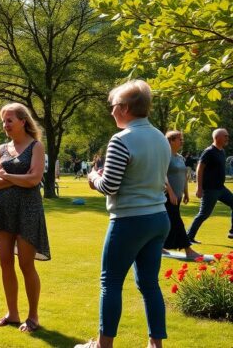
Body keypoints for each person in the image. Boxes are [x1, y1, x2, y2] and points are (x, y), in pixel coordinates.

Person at [77, 80, 171, 348]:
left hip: (129, 220)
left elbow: (109, 186)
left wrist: (94, 177)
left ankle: (103, 345)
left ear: (126, 108)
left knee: (111, 282)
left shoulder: (121, 139)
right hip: (158, 218)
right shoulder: (161, 138)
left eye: (114, 106)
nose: (111, 111)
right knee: (150, 285)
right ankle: (156, 345)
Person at [0, 103, 49, 334]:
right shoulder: (1, 149)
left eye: (9, 120)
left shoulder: (36, 146)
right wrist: (18, 178)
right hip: (3, 210)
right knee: (5, 263)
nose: (5, 125)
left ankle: (33, 316)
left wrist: (8, 176)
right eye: (4, 121)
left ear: (23, 121)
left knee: (26, 264)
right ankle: (12, 314)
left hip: (28, 210)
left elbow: (34, 179)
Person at [186, 128, 233, 242]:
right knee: (204, 214)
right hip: (210, 189)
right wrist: (199, 187)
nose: (227, 138)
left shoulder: (221, 151)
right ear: (217, 138)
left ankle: (232, 232)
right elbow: (199, 169)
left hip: (220, 188)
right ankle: (188, 237)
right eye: (225, 136)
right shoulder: (209, 151)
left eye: (227, 136)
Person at [162, 131, 201, 259]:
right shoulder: (165, 156)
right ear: (171, 141)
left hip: (177, 196)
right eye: (180, 139)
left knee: (170, 222)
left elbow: (184, 176)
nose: (182, 141)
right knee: (177, 222)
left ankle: (159, 246)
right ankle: (188, 250)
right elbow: (162, 175)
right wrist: (170, 192)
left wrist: (185, 193)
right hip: (167, 196)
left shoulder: (180, 157)